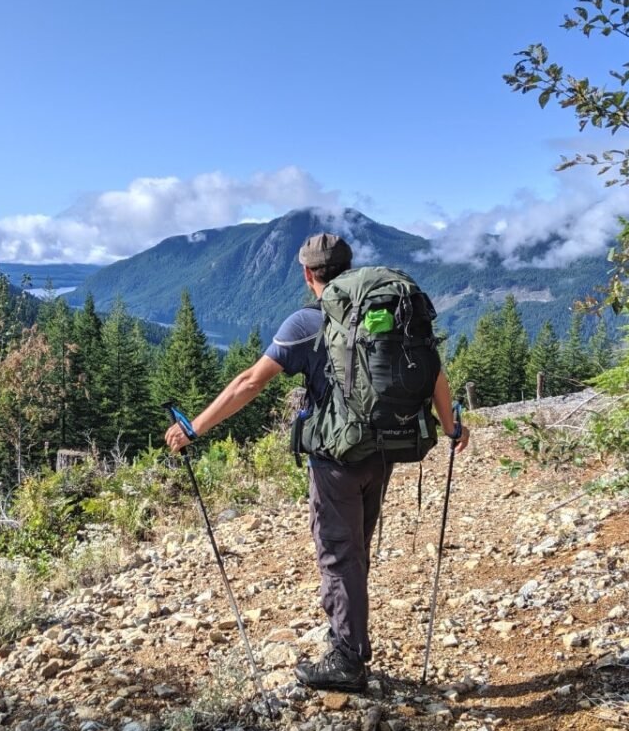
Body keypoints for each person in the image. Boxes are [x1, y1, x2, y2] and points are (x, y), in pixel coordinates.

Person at [165, 232, 470, 693]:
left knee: (337, 553)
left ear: (309, 275)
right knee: (354, 551)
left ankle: (347, 658)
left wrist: (194, 428)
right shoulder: (381, 317)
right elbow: (433, 372)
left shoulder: (306, 323)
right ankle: (347, 639)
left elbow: (249, 382)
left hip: (335, 460)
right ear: (348, 269)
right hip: (382, 451)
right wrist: (451, 427)